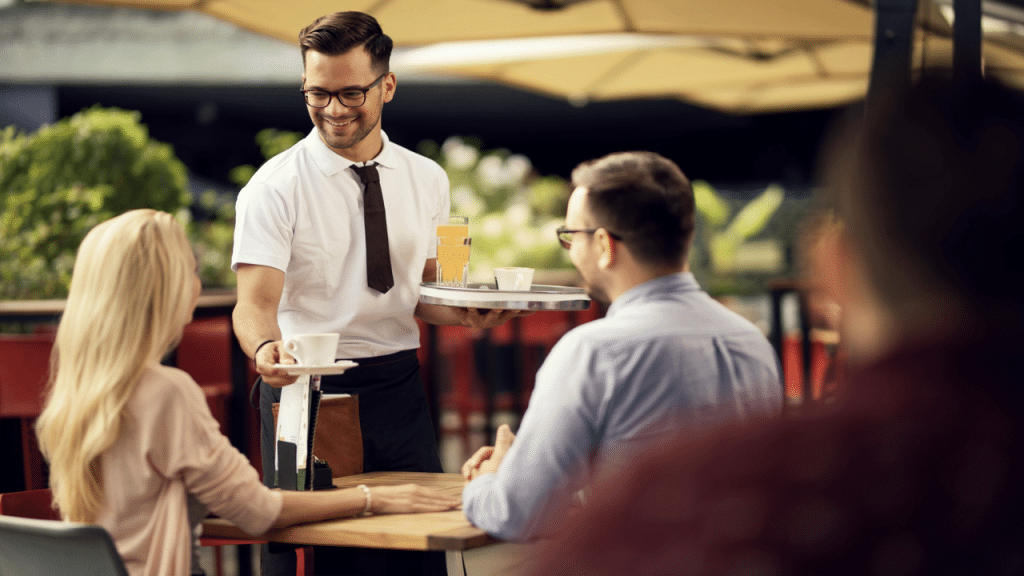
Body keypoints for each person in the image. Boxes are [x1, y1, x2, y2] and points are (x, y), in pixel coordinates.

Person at [525, 73, 1024, 575]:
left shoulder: (709, 498)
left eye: (573, 236)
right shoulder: (746, 349)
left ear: (831, 268)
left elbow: (524, 510)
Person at [229, 11, 520, 576]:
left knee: (422, 550)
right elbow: (254, 304)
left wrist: (469, 315)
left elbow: (424, 294)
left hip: (398, 387)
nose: (334, 109)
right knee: (318, 560)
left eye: (351, 93)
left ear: (387, 85)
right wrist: (266, 352)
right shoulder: (273, 188)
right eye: (318, 93)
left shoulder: (427, 178)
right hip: (308, 396)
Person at [33, 209, 459, 576]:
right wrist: (374, 498)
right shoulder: (167, 392)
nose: (197, 285)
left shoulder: (76, 392)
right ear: (162, 288)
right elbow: (258, 512)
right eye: (191, 270)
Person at [460, 151, 783, 542]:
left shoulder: (594, 352)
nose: (571, 251)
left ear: (603, 245)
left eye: (570, 236)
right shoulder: (752, 342)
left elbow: (516, 514)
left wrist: (490, 480)